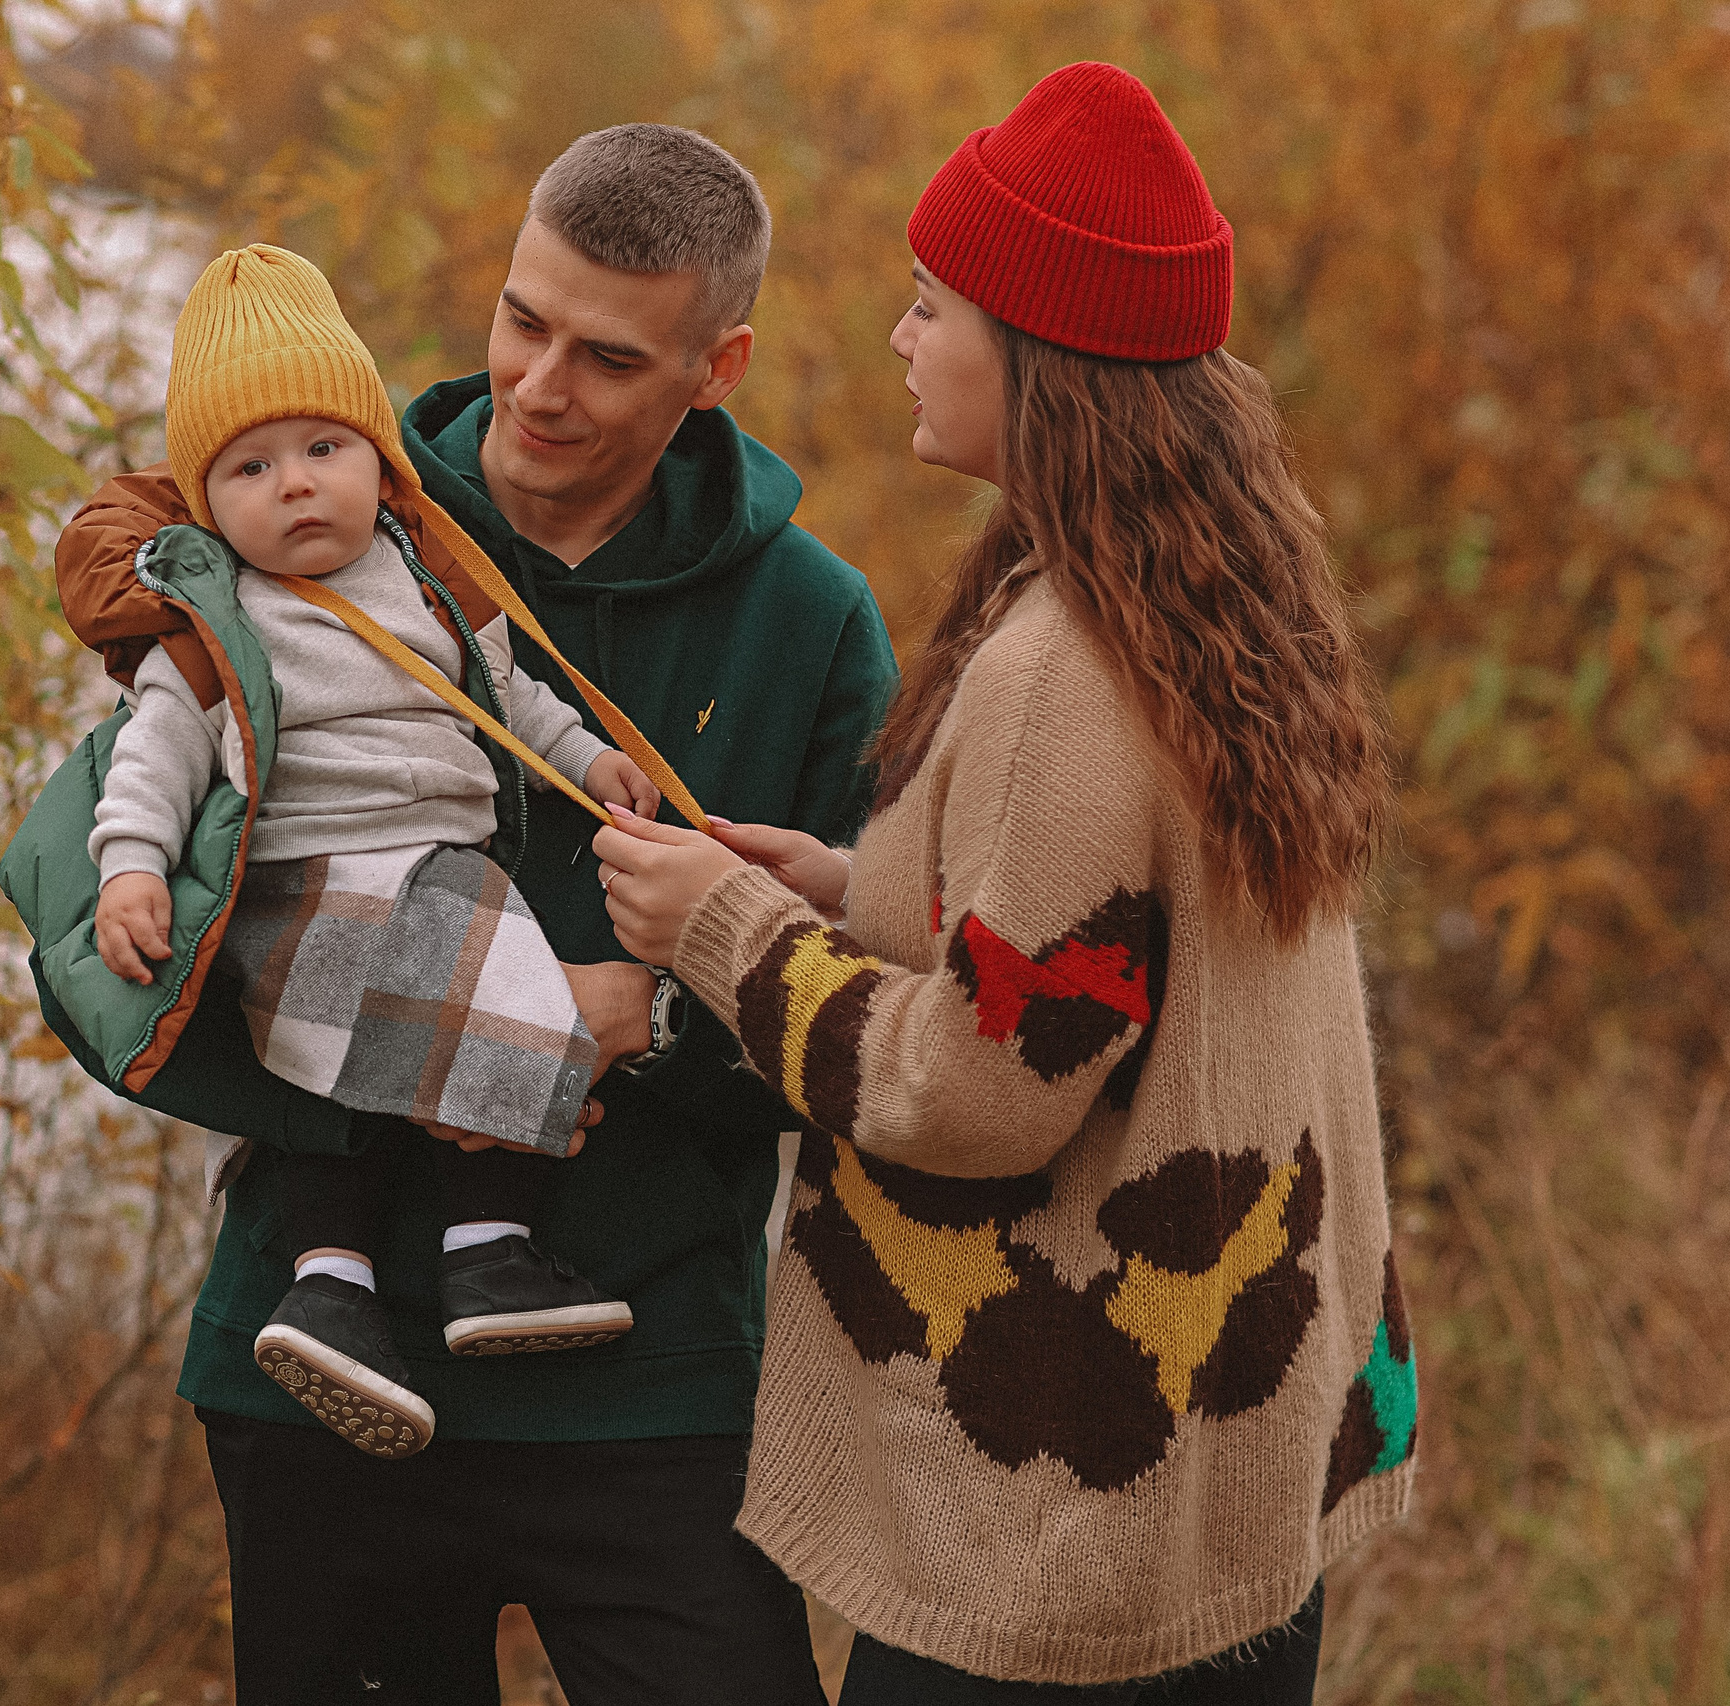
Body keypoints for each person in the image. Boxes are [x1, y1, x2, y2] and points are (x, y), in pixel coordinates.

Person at [38, 125, 897, 1702]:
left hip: (651, 1377)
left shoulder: (808, 623)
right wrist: (373, 1004)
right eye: (522, 319)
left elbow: (877, 1015)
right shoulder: (299, 520)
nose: (537, 385)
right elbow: (107, 948)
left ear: (720, 365)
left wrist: (654, 1016)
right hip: (319, 1373)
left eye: (607, 355)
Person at [594, 64, 1415, 1703]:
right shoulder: (1218, 606)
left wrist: (726, 934)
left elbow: (990, 1085)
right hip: (1222, 1502)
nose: (902, 339)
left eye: (927, 307)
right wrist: (842, 886)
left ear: (1035, 354)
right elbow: (1112, 962)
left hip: (1063, 1532)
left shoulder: (1062, 667)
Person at [88, 243, 666, 1459]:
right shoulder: (213, 619)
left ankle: (483, 1257)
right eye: (249, 467)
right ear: (206, 501)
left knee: (496, 1018)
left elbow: (507, 693)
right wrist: (131, 865)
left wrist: (592, 759)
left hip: (448, 863)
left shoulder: (428, 576)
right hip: (306, 878)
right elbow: (155, 754)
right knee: (343, 1080)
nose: (294, 486)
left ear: (378, 463)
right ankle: (332, 1281)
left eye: (323, 449)